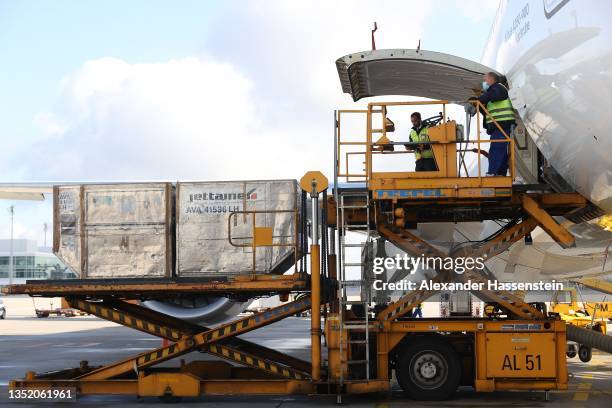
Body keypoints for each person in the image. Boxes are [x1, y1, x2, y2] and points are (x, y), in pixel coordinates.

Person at [477, 72, 515, 176]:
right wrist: (478, 104)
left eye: (485, 80)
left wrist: (479, 99)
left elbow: (495, 95)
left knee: (496, 149)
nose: (484, 82)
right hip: (499, 125)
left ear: (492, 79)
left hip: (502, 124)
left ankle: (493, 172)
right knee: (500, 149)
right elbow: (487, 112)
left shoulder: (498, 88)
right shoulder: (493, 91)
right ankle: (500, 173)